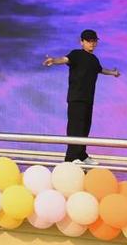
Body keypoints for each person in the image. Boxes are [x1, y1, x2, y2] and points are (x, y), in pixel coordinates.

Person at [43, 29, 120, 165]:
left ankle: (82, 155)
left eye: (94, 41)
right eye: (89, 41)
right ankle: (71, 158)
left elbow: (100, 70)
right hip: (76, 98)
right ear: (82, 42)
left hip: (88, 99)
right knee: (75, 128)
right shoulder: (76, 54)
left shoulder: (94, 59)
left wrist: (113, 73)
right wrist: (53, 60)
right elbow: (65, 59)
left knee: (85, 128)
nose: (92, 44)